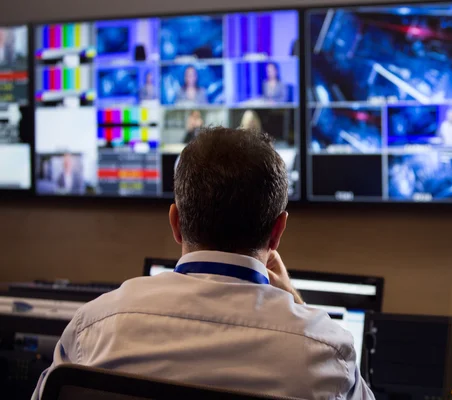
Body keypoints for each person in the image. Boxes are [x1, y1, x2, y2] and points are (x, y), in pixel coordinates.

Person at [31, 127, 374, 400]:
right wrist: (295, 303)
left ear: (176, 222)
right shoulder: (325, 353)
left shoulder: (94, 329)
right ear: (277, 232)